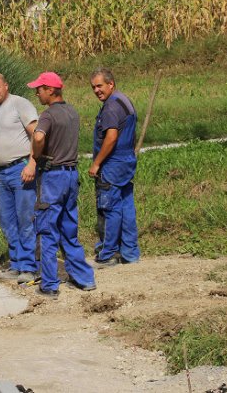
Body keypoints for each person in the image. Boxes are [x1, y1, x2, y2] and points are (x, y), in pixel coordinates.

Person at [23, 71, 96, 298]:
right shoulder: (72, 112)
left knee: (47, 231)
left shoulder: (48, 115)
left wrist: (36, 155)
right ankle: (84, 279)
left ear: (51, 90)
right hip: (71, 175)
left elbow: (37, 137)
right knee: (69, 229)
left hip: (53, 177)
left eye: (40, 88)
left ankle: (49, 285)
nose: (37, 92)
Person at [0, 72, 39, 284]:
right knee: (7, 220)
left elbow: (37, 135)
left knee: (26, 218)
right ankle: (16, 264)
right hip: (2, 172)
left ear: (6, 86)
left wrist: (32, 163)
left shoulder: (19, 104)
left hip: (20, 168)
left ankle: (29, 267)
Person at [88, 68, 140, 266]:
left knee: (110, 208)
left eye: (100, 86)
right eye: (93, 87)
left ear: (111, 84)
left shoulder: (110, 107)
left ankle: (109, 253)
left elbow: (111, 138)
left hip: (112, 163)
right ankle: (130, 253)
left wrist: (97, 163)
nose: (96, 91)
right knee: (127, 207)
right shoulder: (124, 100)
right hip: (126, 161)